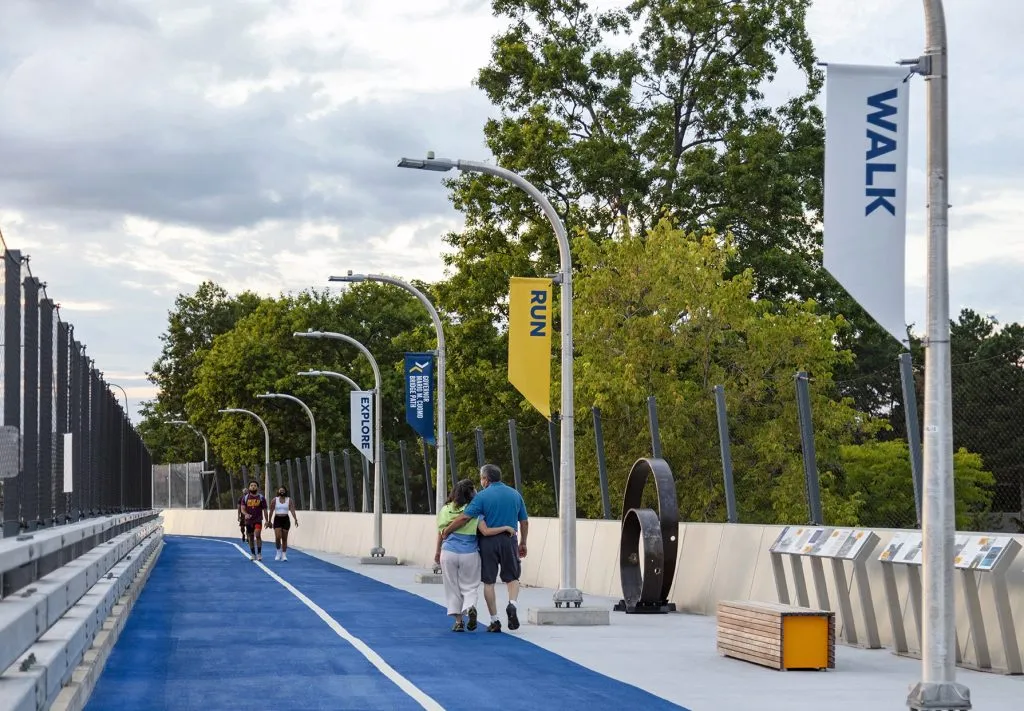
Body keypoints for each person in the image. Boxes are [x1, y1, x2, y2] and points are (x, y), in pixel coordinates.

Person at [441, 464, 528, 633]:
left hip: (487, 542)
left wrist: (447, 530)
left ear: (486, 479)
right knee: (512, 578)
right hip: (509, 540)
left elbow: (465, 517)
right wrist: (523, 542)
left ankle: (495, 621)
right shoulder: (515, 494)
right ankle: (512, 604)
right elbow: (524, 522)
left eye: (481, 478)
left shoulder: (481, 497)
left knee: (489, 582)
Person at [238, 480, 269, 561]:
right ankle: (253, 554)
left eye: (255, 485)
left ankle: (259, 553)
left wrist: (267, 520)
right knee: (251, 537)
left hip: (258, 519)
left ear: (257, 487)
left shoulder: (261, 498)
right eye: (251, 485)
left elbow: (265, 510)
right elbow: (242, 509)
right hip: (249, 520)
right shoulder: (245, 498)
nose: (253, 487)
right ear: (249, 487)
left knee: (257, 534)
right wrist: (246, 514)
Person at [270, 486, 299, 561]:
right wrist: (269, 521)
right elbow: (271, 510)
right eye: (280, 490)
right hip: (277, 519)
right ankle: (278, 552)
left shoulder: (289, 500)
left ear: (285, 491)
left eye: (283, 490)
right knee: (278, 537)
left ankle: (284, 555)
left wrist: (295, 519)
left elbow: (292, 510)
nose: (282, 492)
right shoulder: (274, 500)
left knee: (284, 538)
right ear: (278, 492)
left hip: (285, 519)